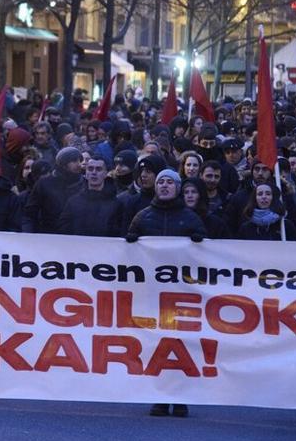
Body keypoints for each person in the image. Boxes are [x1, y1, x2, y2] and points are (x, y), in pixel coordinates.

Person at [125, 169, 205, 418]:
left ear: (178, 187)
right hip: (152, 294)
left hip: (181, 294)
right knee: (156, 346)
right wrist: (130, 242)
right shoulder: (142, 217)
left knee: (181, 346)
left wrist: (200, 242)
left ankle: (181, 398)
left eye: (170, 182)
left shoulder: (190, 218)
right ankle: (159, 397)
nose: (165, 186)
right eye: (161, 182)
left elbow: (205, 256)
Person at [59, 153, 123, 237]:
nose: (94, 173)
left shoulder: (116, 204)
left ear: (105, 173)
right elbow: (63, 232)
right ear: (85, 173)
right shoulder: (73, 202)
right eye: (90, 169)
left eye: (98, 169)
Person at [22, 147, 83, 234]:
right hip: (49, 238)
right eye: (74, 161)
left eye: (79, 161)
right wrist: (29, 235)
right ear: (63, 164)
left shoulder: (84, 184)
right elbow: (30, 215)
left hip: (78, 239)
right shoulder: (44, 184)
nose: (78, 164)